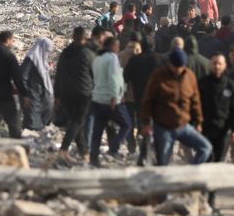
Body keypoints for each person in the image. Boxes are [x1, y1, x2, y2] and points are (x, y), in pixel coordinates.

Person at [140, 48, 212, 166]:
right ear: (169, 64)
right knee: (163, 162)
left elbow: (195, 100)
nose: (178, 69)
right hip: (163, 126)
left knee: (205, 148)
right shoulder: (158, 76)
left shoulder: (189, 76)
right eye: (175, 66)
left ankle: (190, 174)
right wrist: (146, 122)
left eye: (181, 66)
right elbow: (148, 100)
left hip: (183, 125)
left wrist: (199, 121)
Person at [198, 53, 234, 205]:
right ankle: (203, 193)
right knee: (207, 160)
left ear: (224, 66)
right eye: (214, 63)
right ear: (210, 65)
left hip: (223, 131)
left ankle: (212, 196)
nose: (216, 66)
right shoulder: (202, 83)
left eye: (219, 63)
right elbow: (196, 105)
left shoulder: (230, 85)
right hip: (205, 129)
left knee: (218, 163)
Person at [89, 37, 133, 167]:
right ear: (112, 46)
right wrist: (116, 95)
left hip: (97, 98)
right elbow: (114, 77)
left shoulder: (97, 58)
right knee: (126, 124)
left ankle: (94, 158)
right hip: (110, 99)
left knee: (98, 130)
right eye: (117, 46)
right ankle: (113, 148)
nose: (118, 48)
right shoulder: (112, 58)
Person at [124, 36, 166, 166]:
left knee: (143, 124)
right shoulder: (160, 58)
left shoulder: (135, 59)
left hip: (139, 96)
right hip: (158, 97)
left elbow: (125, 77)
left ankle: (144, 152)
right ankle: (155, 152)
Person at [55, 27, 94, 161]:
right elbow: (94, 74)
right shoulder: (87, 53)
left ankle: (84, 153)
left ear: (73, 37)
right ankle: (64, 149)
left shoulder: (65, 53)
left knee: (76, 122)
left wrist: (57, 96)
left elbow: (58, 74)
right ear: (85, 38)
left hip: (66, 92)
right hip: (83, 92)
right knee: (78, 121)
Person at [20, 38, 54, 131]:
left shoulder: (40, 59)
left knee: (47, 108)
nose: (47, 53)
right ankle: (30, 133)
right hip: (31, 91)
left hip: (40, 90)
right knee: (32, 116)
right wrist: (25, 94)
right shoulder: (31, 58)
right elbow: (23, 76)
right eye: (47, 51)